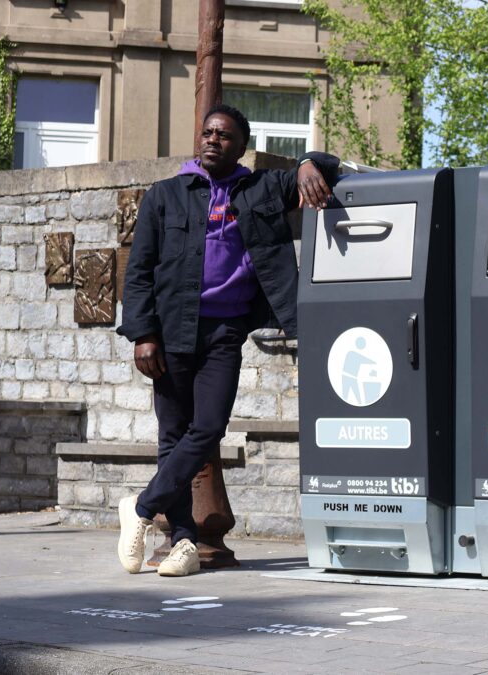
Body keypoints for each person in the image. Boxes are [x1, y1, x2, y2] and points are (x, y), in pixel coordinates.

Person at [115, 104, 340, 576]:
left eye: (223, 135)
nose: (212, 140)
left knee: (210, 427)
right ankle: (182, 544)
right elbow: (137, 273)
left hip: (225, 331)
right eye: (207, 132)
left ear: (242, 146)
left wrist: (302, 163)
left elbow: (331, 166)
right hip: (171, 331)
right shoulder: (165, 196)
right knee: (172, 436)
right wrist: (142, 334)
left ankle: (140, 506)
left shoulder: (262, 187)